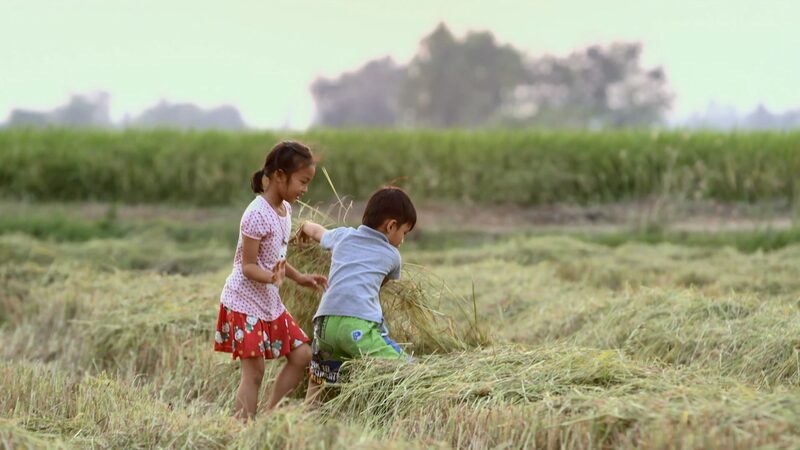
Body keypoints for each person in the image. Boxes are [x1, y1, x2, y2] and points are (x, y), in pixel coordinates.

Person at [214, 140, 328, 421]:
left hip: (268, 302)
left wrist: (299, 277)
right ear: (279, 176)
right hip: (244, 302)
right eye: (303, 181)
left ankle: (269, 418)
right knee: (254, 372)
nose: (305, 189)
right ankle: (242, 430)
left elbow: (277, 257)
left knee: (302, 355)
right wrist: (271, 277)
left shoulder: (285, 210)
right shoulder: (256, 215)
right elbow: (248, 266)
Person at [295, 186, 417, 404]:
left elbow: (317, 232)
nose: (402, 240)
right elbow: (377, 285)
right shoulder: (392, 255)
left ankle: (307, 414)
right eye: (404, 233)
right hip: (356, 327)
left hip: (324, 324)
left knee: (319, 377)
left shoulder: (343, 235)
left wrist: (304, 226)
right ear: (391, 226)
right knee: (406, 367)